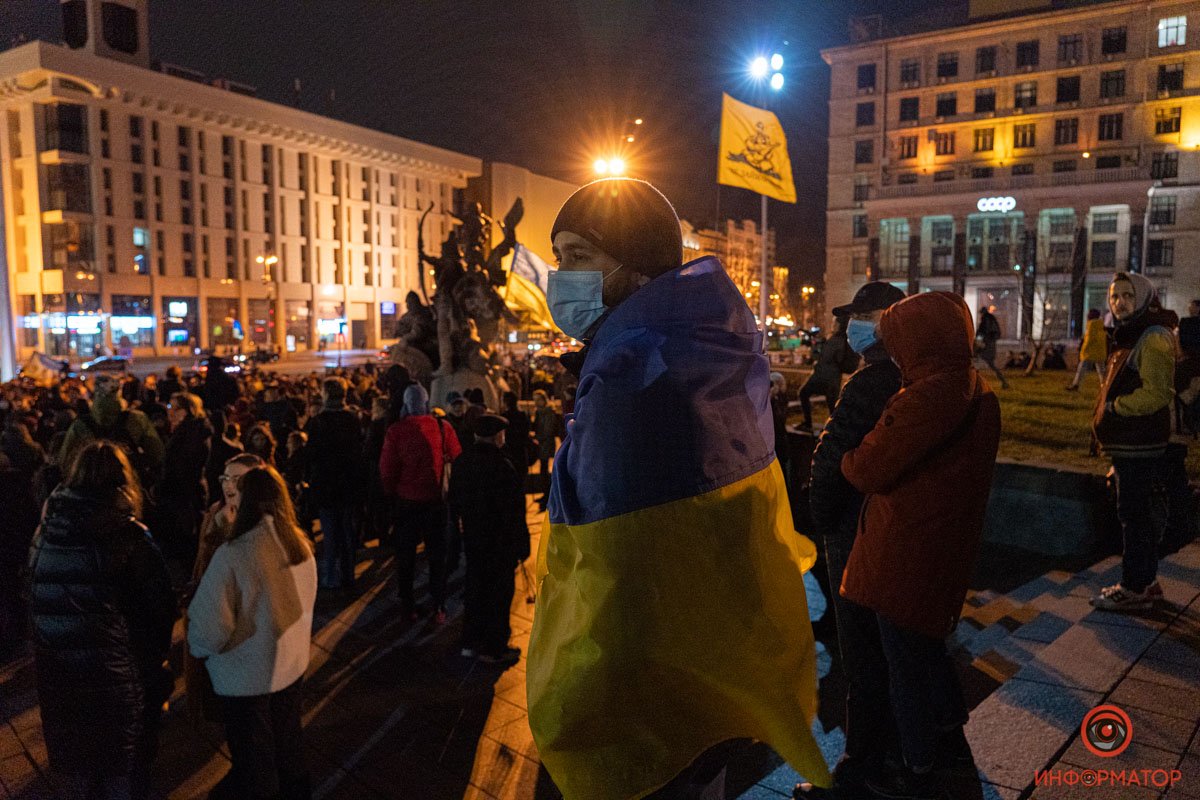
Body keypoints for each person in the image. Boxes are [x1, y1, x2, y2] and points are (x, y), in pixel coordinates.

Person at [529, 178, 829, 799]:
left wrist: (575, 701)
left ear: (636, 268)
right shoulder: (702, 350)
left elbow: (613, 577)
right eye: (559, 258)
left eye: (580, 257)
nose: (562, 278)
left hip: (640, 697)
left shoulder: (633, 378)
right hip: (706, 674)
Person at [840, 292, 1001, 799]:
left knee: (902, 663)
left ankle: (917, 765)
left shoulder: (925, 397)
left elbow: (866, 467)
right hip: (941, 543)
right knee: (925, 646)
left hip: (905, 550)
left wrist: (847, 455)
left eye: (897, 338)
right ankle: (948, 728)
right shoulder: (975, 388)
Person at [802, 281, 906, 798]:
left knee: (860, 657)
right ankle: (902, 755)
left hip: (851, 533)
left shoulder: (869, 384)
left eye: (860, 317)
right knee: (888, 652)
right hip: (890, 534)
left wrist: (820, 516)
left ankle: (860, 768)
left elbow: (832, 463)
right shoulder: (914, 377)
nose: (848, 328)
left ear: (889, 320)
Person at [27, 441, 177, 800]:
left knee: (81, 772)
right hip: (116, 677)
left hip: (61, 674)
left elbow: (35, 597)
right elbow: (159, 609)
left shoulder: (46, 533)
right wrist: (151, 665)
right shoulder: (129, 537)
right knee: (122, 772)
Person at [187, 466, 316, 800]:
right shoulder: (299, 544)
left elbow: (208, 627)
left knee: (253, 755)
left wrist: (199, 648)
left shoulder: (234, 555)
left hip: (246, 674)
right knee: (288, 741)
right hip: (288, 665)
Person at [1091, 273, 1177, 610]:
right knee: (1135, 512)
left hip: (1139, 442)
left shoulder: (1152, 338)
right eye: (1115, 297)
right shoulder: (1134, 333)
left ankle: (1134, 587)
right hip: (1130, 442)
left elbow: (1156, 394)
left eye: (1128, 295)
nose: (1120, 302)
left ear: (1144, 298)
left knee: (1134, 515)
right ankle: (1148, 582)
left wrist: (1114, 408)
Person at [183, 452, 265, 722]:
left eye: (238, 479)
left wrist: (226, 536)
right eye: (226, 478)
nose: (229, 485)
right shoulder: (217, 512)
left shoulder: (262, 522)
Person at [448, 413, 530, 663]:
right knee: (499, 593)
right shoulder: (503, 464)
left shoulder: (463, 462)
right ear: (497, 436)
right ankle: (494, 647)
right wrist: (521, 544)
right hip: (500, 542)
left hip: (474, 538)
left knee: (475, 588)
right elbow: (515, 510)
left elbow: (454, 501)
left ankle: (471, 640)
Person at [379, 384, 462, 622]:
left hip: (407, 503)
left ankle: (408, 604)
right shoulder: (443, 427)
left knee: (406, 556)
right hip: (437, 502)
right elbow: (457, 458)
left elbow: (387, 470)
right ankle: (438, 604)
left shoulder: (396, 431)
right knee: (438, 556)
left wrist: (391, 494)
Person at [304, 377, 366, 593]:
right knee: (348, 533)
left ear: (326, 394)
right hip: (348, 484)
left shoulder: (319, 422)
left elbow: (312, 454)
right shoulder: (352, 419)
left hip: (326, 485)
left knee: (330, 534)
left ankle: (330, 576)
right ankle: (348, 576)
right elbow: (359, 451)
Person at [59, 374, 165, 489]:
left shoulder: (79, 426)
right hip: (128, 488)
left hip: (91, 490)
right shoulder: (136, 420)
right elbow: (156, 454)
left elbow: (65, 461)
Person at [158, 391, 213, 569]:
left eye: (175, 408)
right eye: (169, 407)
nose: (170, 412)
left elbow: (184, 467)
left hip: (185, 496)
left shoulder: (192, 434)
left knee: (187, 543)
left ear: (187, 411)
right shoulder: (187, 431)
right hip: (182, 495)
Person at [798, 316, 855, 429]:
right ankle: (830, 428)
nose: (832, 325)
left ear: (839, 325)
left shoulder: (837, 340)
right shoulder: (836, 339)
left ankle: (817, 425)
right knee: (831, 404)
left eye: (835, 323)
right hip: (828, 376)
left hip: (826, 376)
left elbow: (829, 357)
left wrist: (819, 352)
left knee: (828, 403)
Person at [1066, 308, 1108, 391]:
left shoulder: (1092, 324)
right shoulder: (1102, 325)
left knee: (1081, 369)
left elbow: (1089, 339)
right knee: (1101, 371)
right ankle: (1106, 387)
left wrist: (1083, 349)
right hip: (1100, 351)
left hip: (1090, 352)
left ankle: (1076, 384)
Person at [975, 305, 1010, 389]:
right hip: (990, 343)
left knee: (980, 359)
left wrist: (977, 338)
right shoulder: (991, 318)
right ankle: (1003, 381)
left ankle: (1003, 382)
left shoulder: (986, 319)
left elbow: (982, 331)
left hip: (988, 343)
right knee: (988, 363)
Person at [499, 390, 532, 478]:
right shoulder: (522, 415)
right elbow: (526, 431)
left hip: (509, 452)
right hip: (521, 451)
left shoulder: (503, 417)